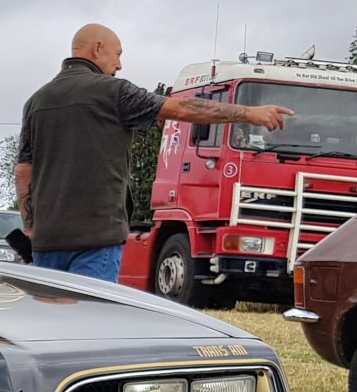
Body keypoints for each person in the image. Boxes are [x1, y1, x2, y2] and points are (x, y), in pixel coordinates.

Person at [15, 24, 294, 282]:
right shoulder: (114, 92)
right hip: (96, 237)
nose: (119, 64)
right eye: (118, 54)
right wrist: (249, 113)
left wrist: (30, 226)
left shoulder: (36, 101)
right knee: (91, 322)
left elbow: (24, 171)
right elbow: (182, 109)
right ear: (97, 48)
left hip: (47, 239)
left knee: (51, 324)